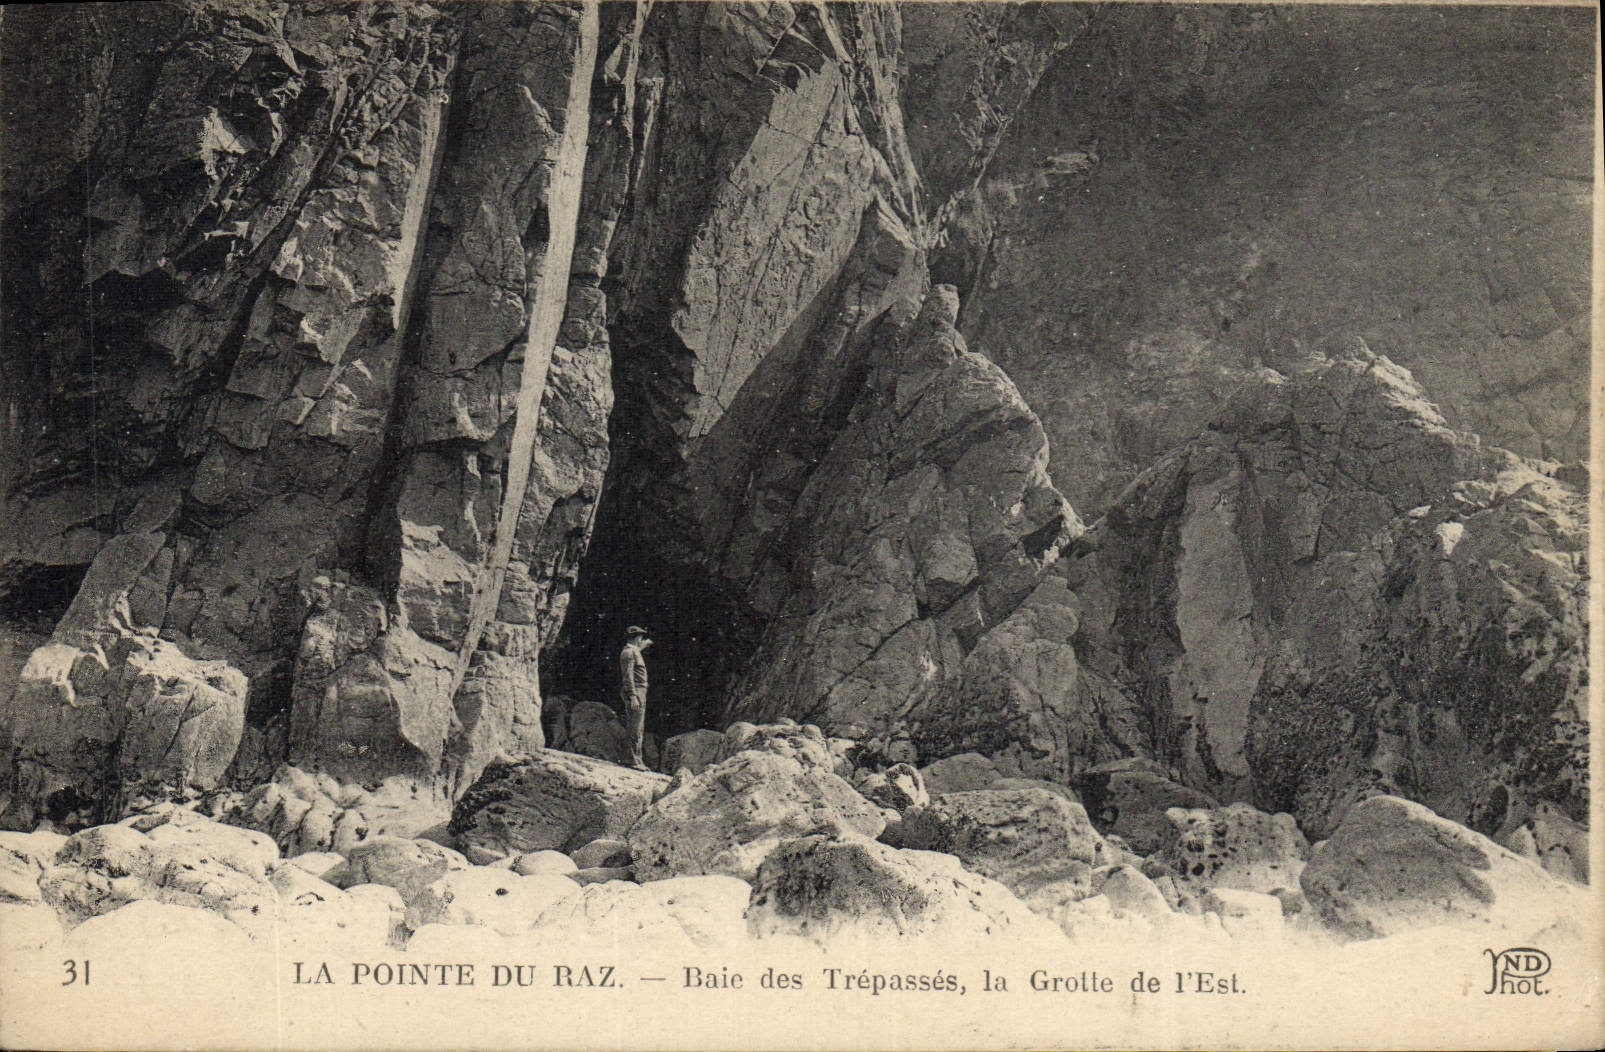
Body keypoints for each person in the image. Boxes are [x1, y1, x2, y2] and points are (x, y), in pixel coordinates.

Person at [618, 626, 652, 770]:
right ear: (637, 638)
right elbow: (628, 677)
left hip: (639, 691)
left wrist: (643, 646)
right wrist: (633, 696)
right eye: (641, 638)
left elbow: (636, 652)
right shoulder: (628, 653)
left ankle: (632, 759)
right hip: (636, 692)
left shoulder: (632, 651)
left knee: (636, 725)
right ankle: (633, 760)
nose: (641, 640)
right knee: (635, 727)